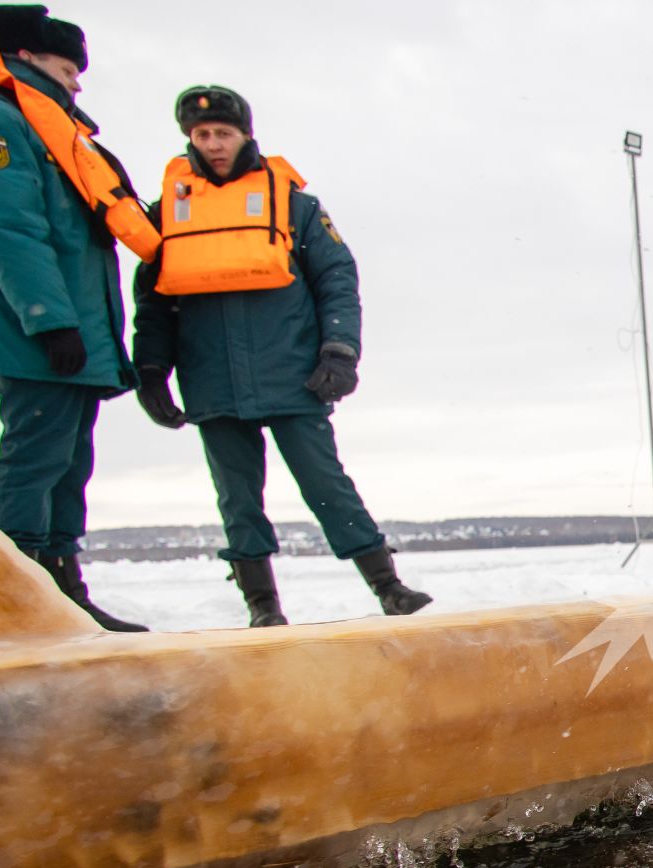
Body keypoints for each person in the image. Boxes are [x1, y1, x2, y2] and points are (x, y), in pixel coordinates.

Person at [131, 85, 430, 625]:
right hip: (211, 377)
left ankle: (389, 587)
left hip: (295, 374)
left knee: (325, 483)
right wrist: (151, 370)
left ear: (246, 135)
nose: (215, 144)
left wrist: (339, 351)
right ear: (189, 140)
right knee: (237, 497)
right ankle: (263, 608)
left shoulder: (295, 206)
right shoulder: (167, 213)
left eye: (224, 133)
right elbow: (153, 302)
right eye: (203, 135)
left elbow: (338, 279)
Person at [0, 4, 159, 630]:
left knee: (69, 460)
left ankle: (60, 593)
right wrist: (49, 319)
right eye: (67, 68)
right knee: (34, 457)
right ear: (25, 57)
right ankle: (6, 604)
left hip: (71, 329)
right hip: (34, 330)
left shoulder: (48, 127)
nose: (77, 83)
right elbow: (7, 227)